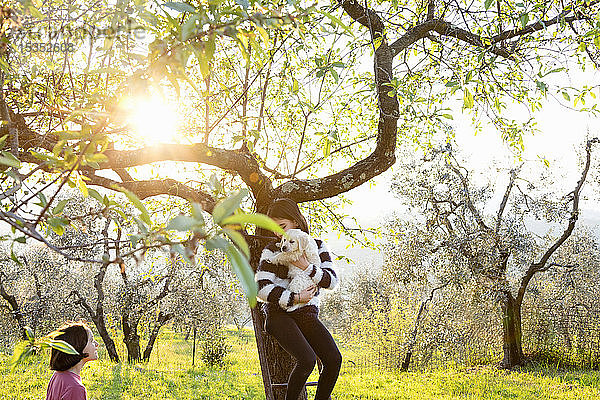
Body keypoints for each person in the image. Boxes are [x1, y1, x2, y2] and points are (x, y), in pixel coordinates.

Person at [256, 198, 342, 400]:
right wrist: (295, 297)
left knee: (334, 359)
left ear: (295, 220)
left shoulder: (317, 246)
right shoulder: (272, 250)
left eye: (283, 226)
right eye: (274, 228)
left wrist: (307, 267)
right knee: (307, 360)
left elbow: (331, 281)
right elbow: (261, 288)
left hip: (306, 315)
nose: (279, 233)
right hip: (278, 316)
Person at [46, 321, 99, 400]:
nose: (97, 344)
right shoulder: (75, 388)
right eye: (91, 340)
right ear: (79, 346)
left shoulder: (58, 375)